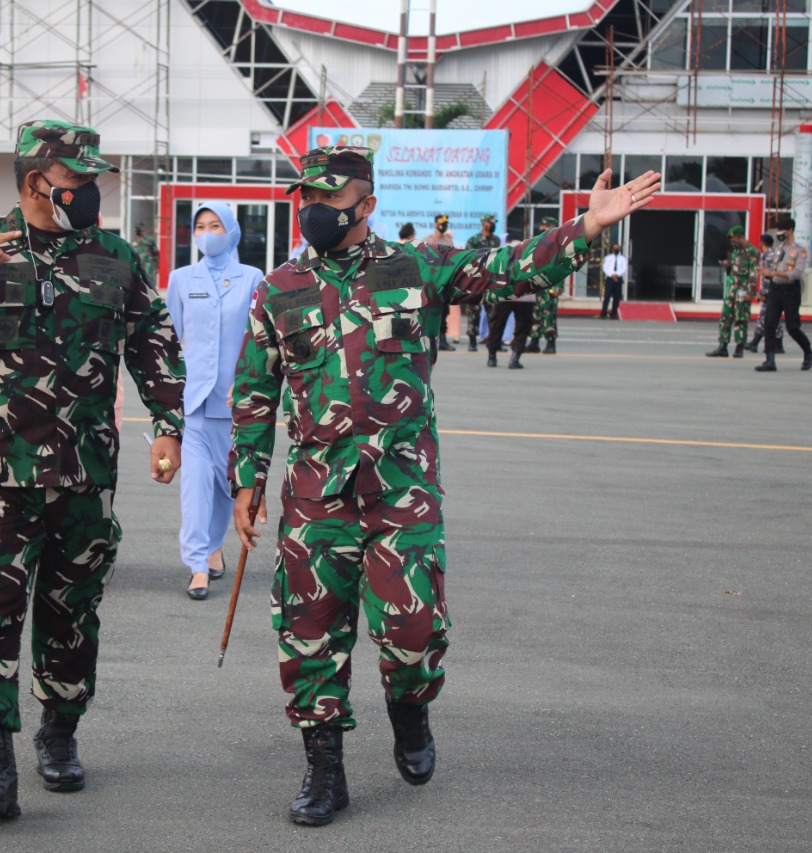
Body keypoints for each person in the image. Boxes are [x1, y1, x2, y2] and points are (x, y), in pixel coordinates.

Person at [229, 144, 660, 827]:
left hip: (401, 492)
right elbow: (254, 389)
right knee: (309, 631)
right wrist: (247, 477)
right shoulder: (279, 287)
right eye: (305, 198)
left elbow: (510, 266)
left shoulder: (417, 268)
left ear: (366, 206)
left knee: (413, 630)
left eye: (328, 200)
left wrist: (585, 227)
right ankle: (323, 766)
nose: (312, 211)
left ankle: (410, 707)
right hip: (317, 495)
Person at [0, 119, 185, 821]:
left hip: (85, 474)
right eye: (79, 184)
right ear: (36, 184)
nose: (92, 196)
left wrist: (168, 424)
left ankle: (60, 732)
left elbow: (153, 342)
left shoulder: (115, 257)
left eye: (93, 184)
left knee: (71, 614)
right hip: (1, 471)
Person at [165, 203, 265, 600]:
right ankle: (196, 565)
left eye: (215, 225)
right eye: (201, 226)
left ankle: (212, 547)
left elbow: (259, 339)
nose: (208, 233)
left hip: (235, 403)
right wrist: (168, 397)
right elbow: (168, 342)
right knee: (194, 486)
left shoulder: (253, 278)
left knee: (226, 491)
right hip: (194, 402)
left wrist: (250, 382)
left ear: (233, 231)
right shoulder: (181, 278)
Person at [755, 214, 812, 372]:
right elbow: (774, 269)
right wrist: (764, 272)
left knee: (792, 327)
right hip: (775, 290)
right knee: (770, 324)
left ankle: (808, 351)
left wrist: (773, 273)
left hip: (790, 291)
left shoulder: (800, 250)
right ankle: (770, 361)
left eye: (782, 230)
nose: (779, 233)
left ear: (790, 230)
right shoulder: (778, 250)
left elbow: (796, 273)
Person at [706, 225, 758, 359]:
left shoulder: (752, 251)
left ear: (741, 237)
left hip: (743, 290)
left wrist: (750, 292)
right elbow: (734, 270)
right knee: (725, 316)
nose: (732, 242)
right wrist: (727, 266)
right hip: (732, 289)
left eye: (734, 239)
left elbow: (753, 273)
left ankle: (739, 347)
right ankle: (722, 346)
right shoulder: (736, 251)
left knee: (741, 319)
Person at [463, 213, 500, 350]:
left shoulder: (495, 240)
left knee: (493, 312)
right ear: (484, 224)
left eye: (493, 223)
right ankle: (472, 340)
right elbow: (467, 260)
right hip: (475, 281)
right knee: (474, 311)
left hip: (491, 281)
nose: (492, 225)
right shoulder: (473, 240)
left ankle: (493, 340)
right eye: (490, 223)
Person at [421, 214, 456, 350]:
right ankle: (428, 341)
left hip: (445, 281)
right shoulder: (427, 240)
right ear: (435, 224)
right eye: (441, 223)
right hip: (431, 281)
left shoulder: (448, 240)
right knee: (429, 312)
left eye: (445, 223)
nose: (444, 226)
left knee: (444, 311)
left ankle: (442, 340)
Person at [526, 216, 561, 354]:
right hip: (537, 284)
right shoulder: (538, 243)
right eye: (542, 226)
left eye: (546, 226)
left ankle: (550, 342)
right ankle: (534, 342)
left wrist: (557, 287)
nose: (542, 229)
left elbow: (561, 267)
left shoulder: (558, 245)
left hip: (550, 285)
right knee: (536, 314)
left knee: (549, 314)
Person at [746, 233, 785, 354]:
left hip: (770, 292)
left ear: (762, 243)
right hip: (772, 292)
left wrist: (763, 293)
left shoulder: (769, 257)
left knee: (764, 318)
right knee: (772, 319)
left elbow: (769, 276)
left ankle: (756, 343)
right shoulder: (767, 255)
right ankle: (777, 345)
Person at [600, 243, 627, 319]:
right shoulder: (608, 258)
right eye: (615, 248)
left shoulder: (623, 258)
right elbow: (605, 268)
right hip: (610, 279)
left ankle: (613, 314)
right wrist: (612, 275)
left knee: (616, 297)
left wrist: (617, 275)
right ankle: (603, 314)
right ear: (612, 249)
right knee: (607, 296)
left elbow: (624, 268)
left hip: (618, 279)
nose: (616, 249)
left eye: (617, 248)